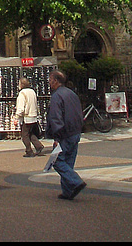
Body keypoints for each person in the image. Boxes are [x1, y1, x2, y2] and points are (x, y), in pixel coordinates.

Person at [46, 69, 86, 200]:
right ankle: (68, 192)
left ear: (56, 81)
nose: (49, 82)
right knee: (68, 162)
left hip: (64, 134)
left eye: (50, 79)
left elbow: (56, 117)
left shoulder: (57, 96)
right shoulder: (72, 94)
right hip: (75, 132)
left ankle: (75, 181)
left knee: (57, 161)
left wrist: (57, 136)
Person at [15, 77, 44, 157]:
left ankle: (29, 151)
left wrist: (17, 117)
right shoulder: (32, 92)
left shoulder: (22, 93)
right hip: (33, 116)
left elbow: (21, 107)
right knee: (30, 133)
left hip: (26, 117)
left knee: (24, 135)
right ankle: (38, 146)